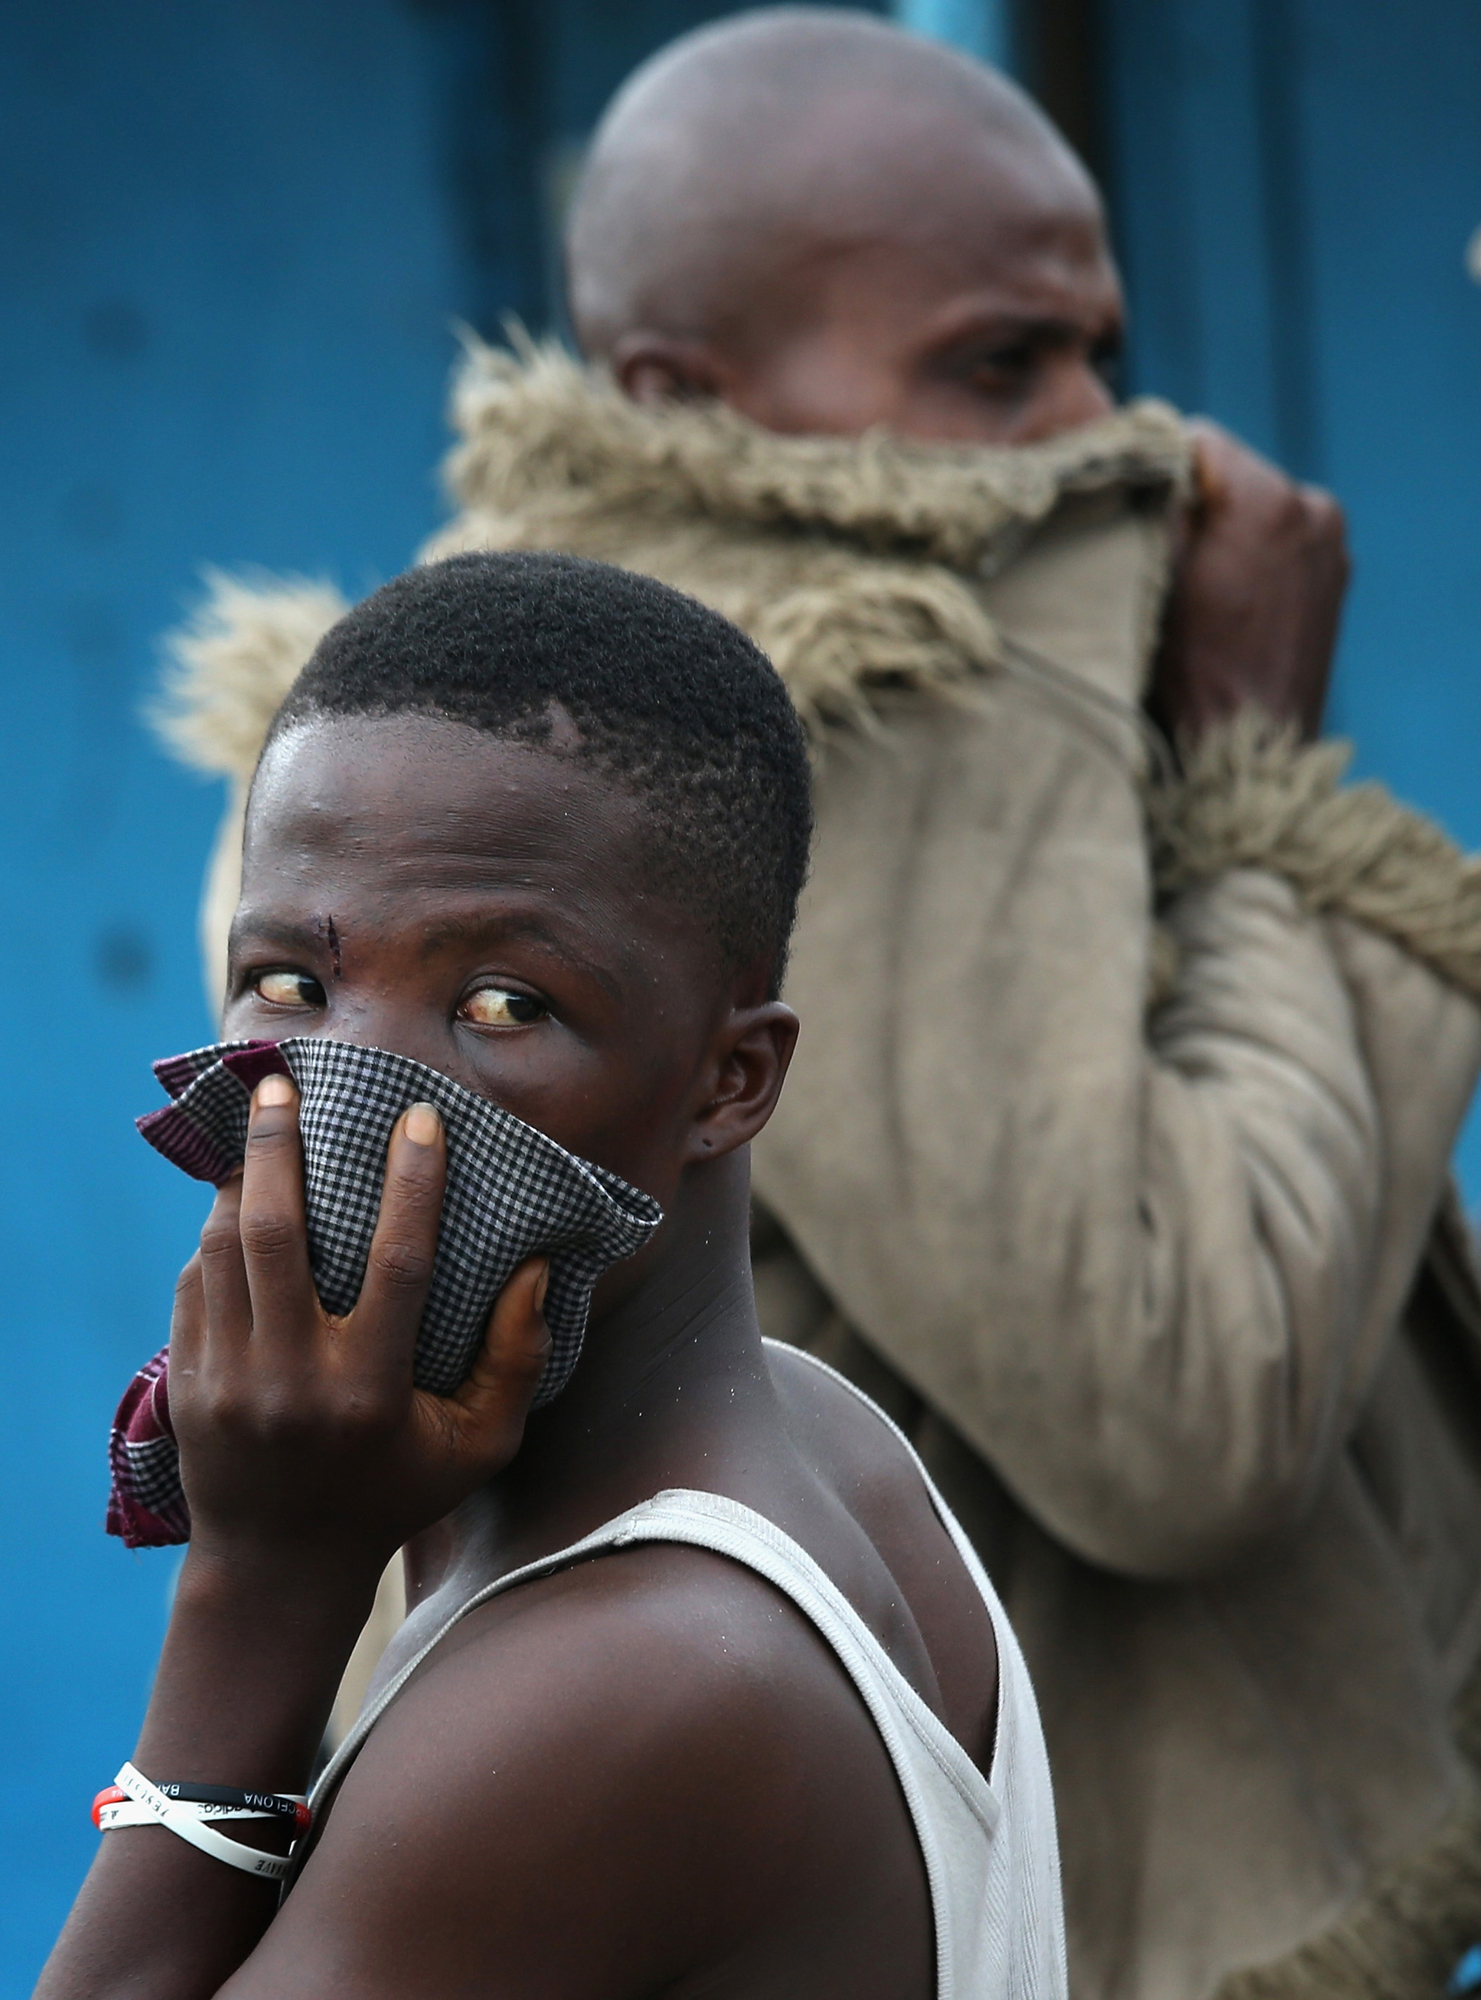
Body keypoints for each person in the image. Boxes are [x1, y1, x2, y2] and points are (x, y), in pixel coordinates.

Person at [154, 12, 1481, 1999]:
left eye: (1096, 355)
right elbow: (1192, 1395)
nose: (1099, 434)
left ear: (738, 1072)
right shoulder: (797, 732)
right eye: (994, 364)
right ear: (689, 394)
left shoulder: (396, 754)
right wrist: (1269, 810)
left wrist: (252, 1608)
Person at [38, 551, 1064, 2000]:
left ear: (730, 1075)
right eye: (291, 985)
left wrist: (264, 1583)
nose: (360, 1088)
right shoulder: (815, 1436)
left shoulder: (635, 1682)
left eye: (502, 1005)